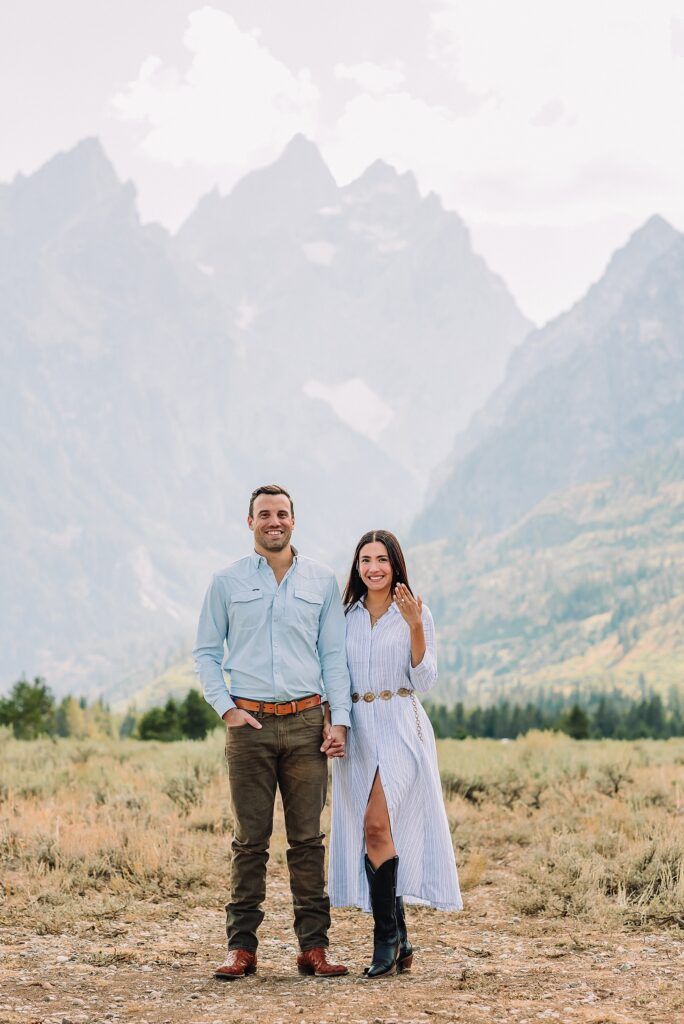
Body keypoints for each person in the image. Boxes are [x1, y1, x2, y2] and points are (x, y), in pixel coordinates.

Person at [193, 484, 351, 980]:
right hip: (250, 726)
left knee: (307, 841)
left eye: (282, 513)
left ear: (293, 520)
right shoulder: (226, 581)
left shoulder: (322, 581)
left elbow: (334, 658)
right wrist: (226, 709)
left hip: (307, 725)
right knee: (250, 841)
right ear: (250, 522)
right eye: (264, 514)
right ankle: (242, 950)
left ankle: (314, 949)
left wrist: (339, 718)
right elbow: (205, 653)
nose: (274, 521)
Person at [329, 530, 462, 978]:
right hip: (358, 731)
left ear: (395, 564)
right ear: (357, 566)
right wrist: (335, 722)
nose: (373, 568)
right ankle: (400, 939)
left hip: (402, 726)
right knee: (375, 835)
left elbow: (424, 680)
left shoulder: (415, 611)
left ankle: (384, 940)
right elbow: (333, 675)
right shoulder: (343, 616)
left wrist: (416, 627)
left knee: (376, 824)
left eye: (381, 559)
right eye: (365, 559)